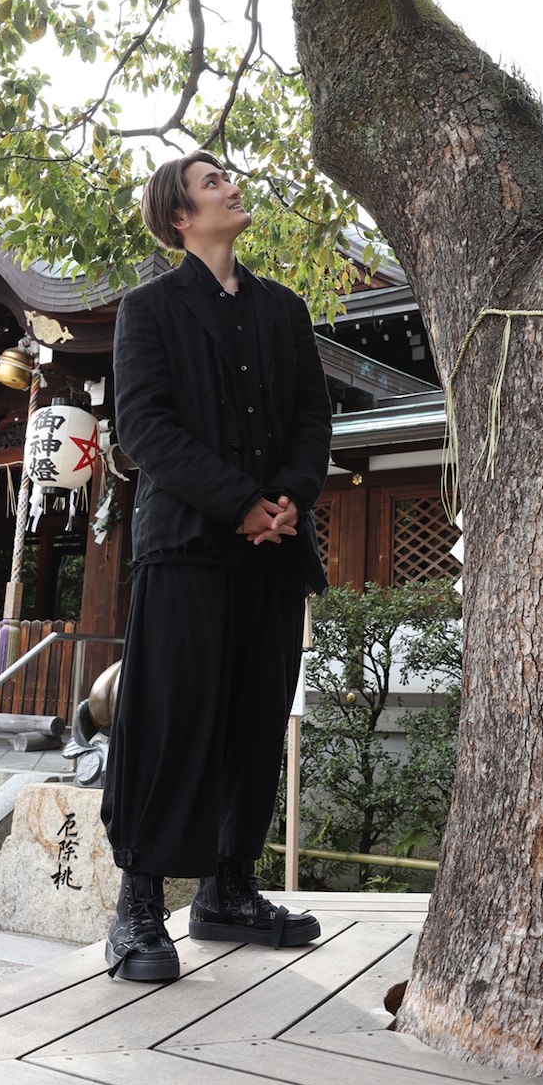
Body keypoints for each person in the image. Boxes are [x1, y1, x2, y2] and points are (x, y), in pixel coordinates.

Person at [100, 149, 332, 980]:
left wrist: (289, 499)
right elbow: (145, 428)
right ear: (179, 215)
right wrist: (239, 502)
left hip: (275, 552)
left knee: (254, 722)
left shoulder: (283, 309)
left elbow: (312, 417)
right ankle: (138, 905)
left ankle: (228, 890)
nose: (232, 187)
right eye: (212, 183)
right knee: (173, 720)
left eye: (228, 178)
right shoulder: (148, 309)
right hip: (187, 549)